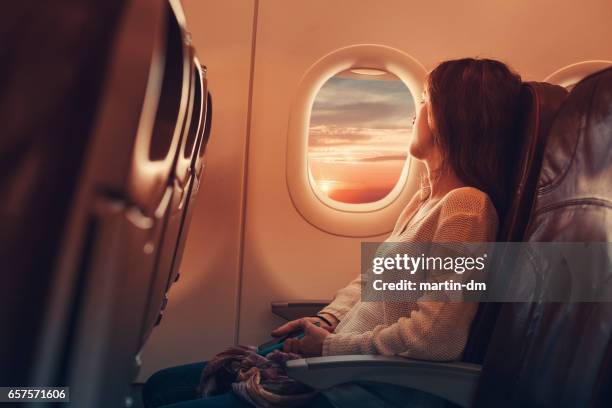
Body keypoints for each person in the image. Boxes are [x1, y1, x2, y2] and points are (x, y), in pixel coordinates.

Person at [142, 58, 522, 407]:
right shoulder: (425, 201)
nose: (414, 112)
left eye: (423, 100)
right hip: (339, 365)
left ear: (452, 116)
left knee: (167, 392)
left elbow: (436, 339)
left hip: (367, 387)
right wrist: (327, 320)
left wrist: (328, 347)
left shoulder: (467, 208)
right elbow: (372, 283)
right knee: (161, 385)